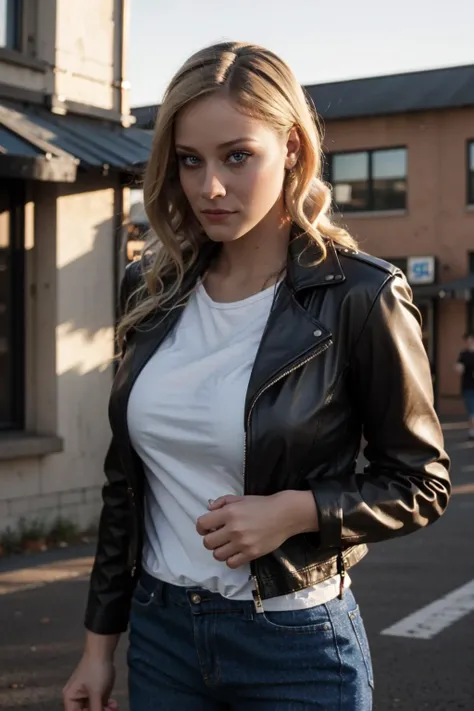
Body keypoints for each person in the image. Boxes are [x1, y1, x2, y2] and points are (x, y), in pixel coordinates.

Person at [63, 42, 451, 711]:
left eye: (236, 156)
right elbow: (124, 487)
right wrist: (100, 647)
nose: (210, 186)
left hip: (294, 643)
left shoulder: (359, 295)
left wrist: (295, 512)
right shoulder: (149, 287)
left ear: (293, 148)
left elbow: (421, 482)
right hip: (163, 638)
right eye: (191, 161)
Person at [455, 331, 474, 439]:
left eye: (471, 339)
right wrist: (459, 368)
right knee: (472, 411)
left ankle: (472, 431)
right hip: (468, 387)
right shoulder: (464, 354)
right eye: (468, 340)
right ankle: (472, 431)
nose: (469, 342)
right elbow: (458, 366)